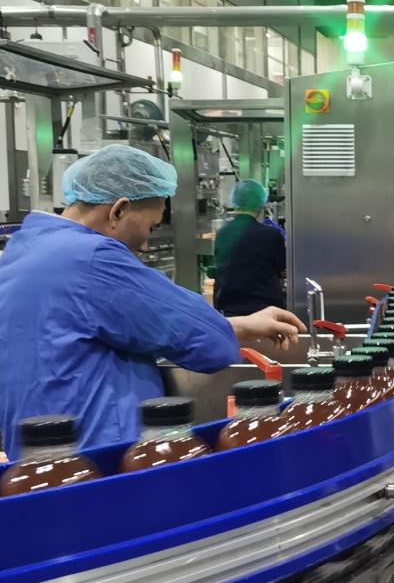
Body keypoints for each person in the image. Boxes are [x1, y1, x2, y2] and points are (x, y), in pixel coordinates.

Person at [0, 145, 305, 457]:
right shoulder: (93, 258)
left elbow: (126, 323)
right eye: (150, 227)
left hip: (38, 449)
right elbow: (203, 340)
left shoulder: (26, 247)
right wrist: (230, 329)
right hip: (98, 453)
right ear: (118, 211)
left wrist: (242, 325)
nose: (146, 245)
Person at [214, 179, 287, 316]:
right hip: (266, 311)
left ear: (235, 203)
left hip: (230, 312)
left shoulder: (222, 233)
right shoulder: (270, 234)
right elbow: (281, 267)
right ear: (260, 205)